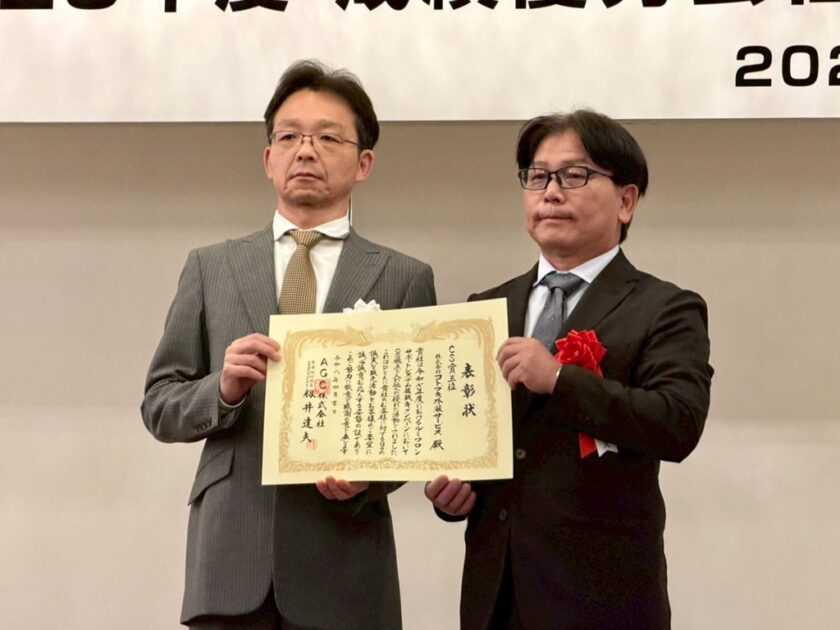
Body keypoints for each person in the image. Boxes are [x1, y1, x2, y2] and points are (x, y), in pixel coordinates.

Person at [142, 60, 435, 630]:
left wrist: (370, 476)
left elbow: (417, 426)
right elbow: (159, 403)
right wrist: (223, 390)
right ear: (268, 159)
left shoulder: (404, 277)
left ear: (364, 163)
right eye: (289, 137)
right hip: (231, 559)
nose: (305, 151)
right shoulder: (211, 267)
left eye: (327, 138)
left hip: (344, 558)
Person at [425, 110, 712, 630]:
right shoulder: (485, 309)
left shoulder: (665, 308)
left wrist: (559, 379)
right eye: (538, 176)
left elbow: (677, 423)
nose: (551, 193)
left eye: (575, 175)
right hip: (497, 597)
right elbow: (476, 442)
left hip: (604, 597)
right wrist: (455, 492)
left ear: (626, 201)